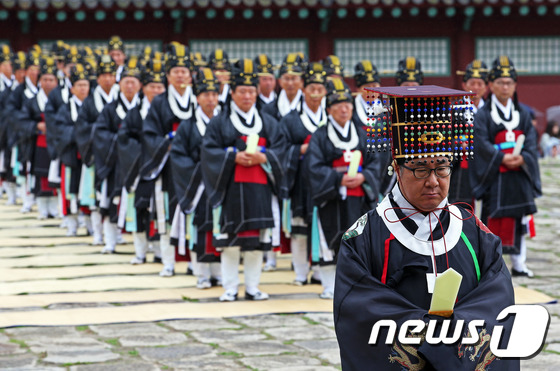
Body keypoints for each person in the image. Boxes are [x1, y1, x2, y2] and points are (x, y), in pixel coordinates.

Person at [335, 85, 518, 370]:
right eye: (420, 169)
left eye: (442, 167)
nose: (433, 181)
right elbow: (359, 310)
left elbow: (498, 299)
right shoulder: (365, 237)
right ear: (396, 168)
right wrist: (428, 333)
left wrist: (454, 331)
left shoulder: (474, 232)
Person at [201, 59, 286, 302]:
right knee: (230, 243)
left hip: (260, 188)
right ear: (233, 93)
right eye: (242, 91)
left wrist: (263, 156)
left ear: (257, 93)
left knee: (256, 243)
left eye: (251, 91)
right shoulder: (219, 122)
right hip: (231, 189)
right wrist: (232, 156)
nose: (247, 96)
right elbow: (208, 152)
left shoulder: (269, 122)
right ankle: (230, 287)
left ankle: (252, 287)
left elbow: (280, 150)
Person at [306, 78, 381, 299]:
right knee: (330, 240)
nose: (344, 109)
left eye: (347, 104)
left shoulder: (363, 132)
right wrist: (338, 179)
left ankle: (360, 283)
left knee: (360, 240)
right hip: (332, 197)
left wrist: (363, 176)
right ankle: (329, 285)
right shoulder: (320, 136)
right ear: (329, 109)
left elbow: (375, 162)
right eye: (338, 105)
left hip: (359, 196)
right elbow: (313, 166)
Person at [470, 56, 541, 278]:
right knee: (493, 220)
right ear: (491, 85)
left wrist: (524, 157)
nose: (505, 87)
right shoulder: (483, 115)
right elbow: (480, 142)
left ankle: (519, 264)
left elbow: (530, 140)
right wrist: (500, 157)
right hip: (496, 176)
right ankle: (493, 265)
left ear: (515, 85)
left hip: (518, 175)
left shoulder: (522, 114)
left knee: (520, 219)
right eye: (500, 82)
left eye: (509, 83)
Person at [142, 43, 195, 277]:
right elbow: (150, 135)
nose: (181, 75)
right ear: (168, 76)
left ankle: (196, 261)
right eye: (176, 72)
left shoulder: (200, 99)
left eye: (184, 71)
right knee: (166, 213)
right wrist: (168, 144)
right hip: (168, 166)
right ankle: (168, 262)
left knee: (195, 212)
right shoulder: (160, 103)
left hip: (195, 165)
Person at [170, 67, 222, 289]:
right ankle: (201, 273)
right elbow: (178, 155)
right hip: (198, 186)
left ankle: (219, 273)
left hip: (220, 184)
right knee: (200, 228)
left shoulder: (224, 122)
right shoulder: (188, 126)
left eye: (214, 95)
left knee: (219, 228)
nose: (210, 99)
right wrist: (199, 170)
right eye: (205, 95)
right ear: (197, 98)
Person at [279, 62, 328, 286]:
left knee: (322, 226)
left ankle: (320, 270)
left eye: (320, 87)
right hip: (299, 181)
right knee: (300, 230)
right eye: (311, 88)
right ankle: (300, 272)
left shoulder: (332, 116)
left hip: (325, 182)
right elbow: (280, 149)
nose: (316, 92)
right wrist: (300, 150)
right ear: (303, 90)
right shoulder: (291, 119)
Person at [93, 57, 143, 254]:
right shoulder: (110, 109)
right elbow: (100, 134)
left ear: (140, 85)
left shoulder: (144, 109)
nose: (129, 86)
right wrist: (122, 143)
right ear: (119, 84)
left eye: (133, 82)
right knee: (111, 203)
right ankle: (109, 242)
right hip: (115, 164)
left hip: (139, 163)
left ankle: (142, 247)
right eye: (126, 82)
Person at [261, 53, 305, 271]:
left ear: (301, 81)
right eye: (286, 78)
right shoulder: (269, 109)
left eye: (294, 78)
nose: (290, 82)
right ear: (280, 81)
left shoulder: (306, 108)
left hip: (300, 169)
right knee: (271, 210)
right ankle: (270, 256)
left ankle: (301, 260)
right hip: (275, 166)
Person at [119, 57, 165, 265]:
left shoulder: (168, 111)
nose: (156, 91)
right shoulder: (135, 112)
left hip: (162, 166)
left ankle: (159, 251)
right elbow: (124, 138)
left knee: (159, 210)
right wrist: (141, 153)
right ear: (143, 89)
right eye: (152, 86)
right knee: (139, 209)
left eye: (159, 87)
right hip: (139, 167)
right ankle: (139, 251)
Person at [75, 53, 119, 246]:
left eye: (111, 75)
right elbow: (81, 128)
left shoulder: (121, 98)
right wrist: (98, 136)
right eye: (104, 75)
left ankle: (117, 233)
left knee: (116, 196)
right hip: (96, 154)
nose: (108, 79)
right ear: (98, 78)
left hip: (118, 155)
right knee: (95, 198)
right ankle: (97, 233)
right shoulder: (90, 101)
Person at [16, 57, 59, 219]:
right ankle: (42, 208)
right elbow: (21, 121)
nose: (48, 83)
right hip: (37, 143)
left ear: (56, 82)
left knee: (54, 175)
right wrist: (36, 126)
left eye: (51, 79)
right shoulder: (31, 101)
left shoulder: (61, 100)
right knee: (40, 175)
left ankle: (55, 208)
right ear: (39, 81)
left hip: (55, 143)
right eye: (45, 79)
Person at [52, 64, 91, 236]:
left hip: (89, 155)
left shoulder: (93, 107)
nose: (83, 89)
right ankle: (72, 225)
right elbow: (59, 130)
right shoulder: (65, 108)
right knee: (70, 191)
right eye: (79, 86)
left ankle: (91, 226)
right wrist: (79, 134)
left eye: (85, 85)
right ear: (72, 88)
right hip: (71, 155)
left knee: (89, 192)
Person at [449, 60, 489, 206]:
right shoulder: (454, 110)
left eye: (480, 84)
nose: (476, 88)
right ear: (464, 85)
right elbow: (445, 140)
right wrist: (459, 145)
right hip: (461, 170)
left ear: (486, 87)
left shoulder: (490, 111)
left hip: (485, 167)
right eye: (472, 83)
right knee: (461, 210)